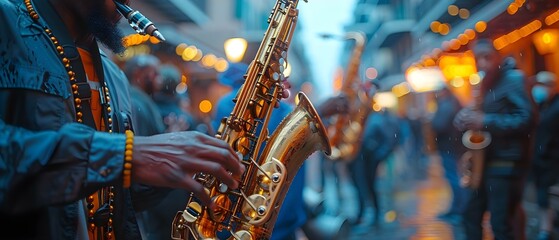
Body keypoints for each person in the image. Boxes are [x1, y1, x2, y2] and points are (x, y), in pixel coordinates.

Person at [0, 0, 244, 239]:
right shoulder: (5, 22)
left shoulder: (114, 76)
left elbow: (121, 198)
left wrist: (185, 163)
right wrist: (124, 155)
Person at [453, 39, 534, 240]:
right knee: (469, 216)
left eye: (487, 57)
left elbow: (527, 119)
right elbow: (482, 116)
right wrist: (466, 117)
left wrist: (485, 120)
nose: (482, 64)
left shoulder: (514, 78)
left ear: (498, 56)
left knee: (500, 224)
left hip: (506, 164)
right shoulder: (485, 84)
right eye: (477, 59)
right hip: (488, 162)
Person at [431, 86, 468, 224]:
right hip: (452, 146)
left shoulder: (447, 105)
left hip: (449, 147)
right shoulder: (453, 103)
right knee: (454, 177)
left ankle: (460, 210)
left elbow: (438, 125)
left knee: (454, 178)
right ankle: (457, 208)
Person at [530, 71, 559, 240]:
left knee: (546, 194)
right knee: (542, 194)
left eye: (543, 85)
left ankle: (546, 229)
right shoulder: (541, 106)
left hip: (553, 159)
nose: (539, 89)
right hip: (541, 159)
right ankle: (546, 226)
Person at [124, 54, 165, 136]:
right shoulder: (134, 104)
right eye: (155, 73)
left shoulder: (142, 100)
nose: (160, 79)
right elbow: (140, 143)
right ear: (138, 74)